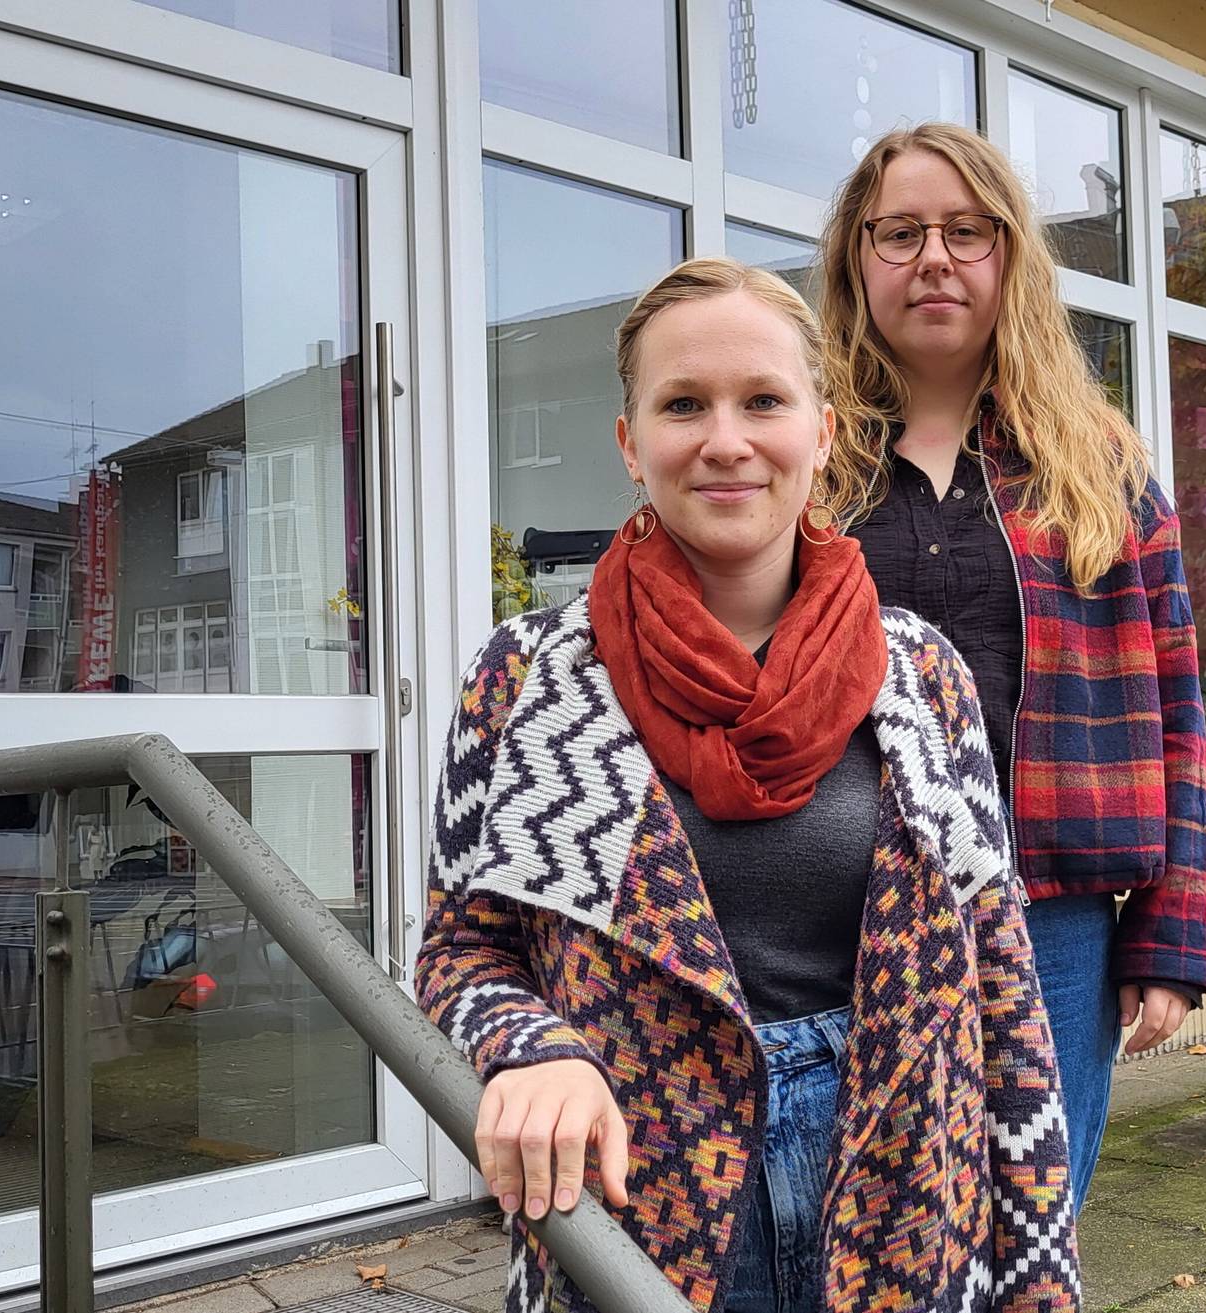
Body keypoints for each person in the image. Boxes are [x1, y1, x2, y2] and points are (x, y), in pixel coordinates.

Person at [416, 257, 1079, 1312]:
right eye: (684, 404)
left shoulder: (922, 676)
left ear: (822, 432)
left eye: (763, 400)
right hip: (637, 1199)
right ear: (633, 444)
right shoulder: (533, 675)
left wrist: (1042, 1276)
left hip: (908, 1197)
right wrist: (530, 1046)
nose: (726, 439)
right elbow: (460, 948)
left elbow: (1004, 989)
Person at [815, 123, 1206, 1207]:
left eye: (966, 230)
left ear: (1010, 258)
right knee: (859, 1217)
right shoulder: (804, 455)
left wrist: (1174, 934)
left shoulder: (1102, 465)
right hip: (840, 904)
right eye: (899, 232)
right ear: (858, 258)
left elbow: (1180, 712)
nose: (934, 257)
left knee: (1031, 1220)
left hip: (1055, 915)